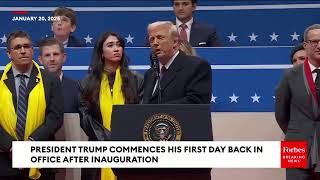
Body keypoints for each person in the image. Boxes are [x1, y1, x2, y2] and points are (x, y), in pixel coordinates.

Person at [139, 21, 211, 179]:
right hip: (155, 155)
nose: (155, 43)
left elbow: (197, 102)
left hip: (186, 154)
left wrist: (156, 112)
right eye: (152, 39)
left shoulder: (196, 66)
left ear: (175, 42)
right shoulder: (150, 74)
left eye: (160, 37)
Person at [79, 32, 143, 180]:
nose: (116, 49)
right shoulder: (86, 83)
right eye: (110, 45)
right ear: (101, 53)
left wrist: (122, 140)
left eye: (119, 45)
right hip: (97, 151)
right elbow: (85, 119)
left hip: (129, 151)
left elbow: (140, 114)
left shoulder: (136, 80)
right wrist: (109, 140)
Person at [0, 31, 63, 179]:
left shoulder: (50, 80)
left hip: (41, 160)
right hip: (5, 161)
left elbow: (55, 117)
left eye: (27, 46)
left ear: (32, 51)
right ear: (9, 53)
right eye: (17, 47)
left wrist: (31, 142)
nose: (23, 51)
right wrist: (11, 146)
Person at [275, 24, 320, 180]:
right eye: (314, 41)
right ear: (306, 45)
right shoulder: (289, 75)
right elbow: (281, 114)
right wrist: (298, 131)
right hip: (295, 143)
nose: (319, 45)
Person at [38, 37, 79, 113]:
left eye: (56, 54)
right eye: (47, 55)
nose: (52, 59)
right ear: (40, 60)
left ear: (64, 57)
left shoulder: (77, 88)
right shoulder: (32, 86)